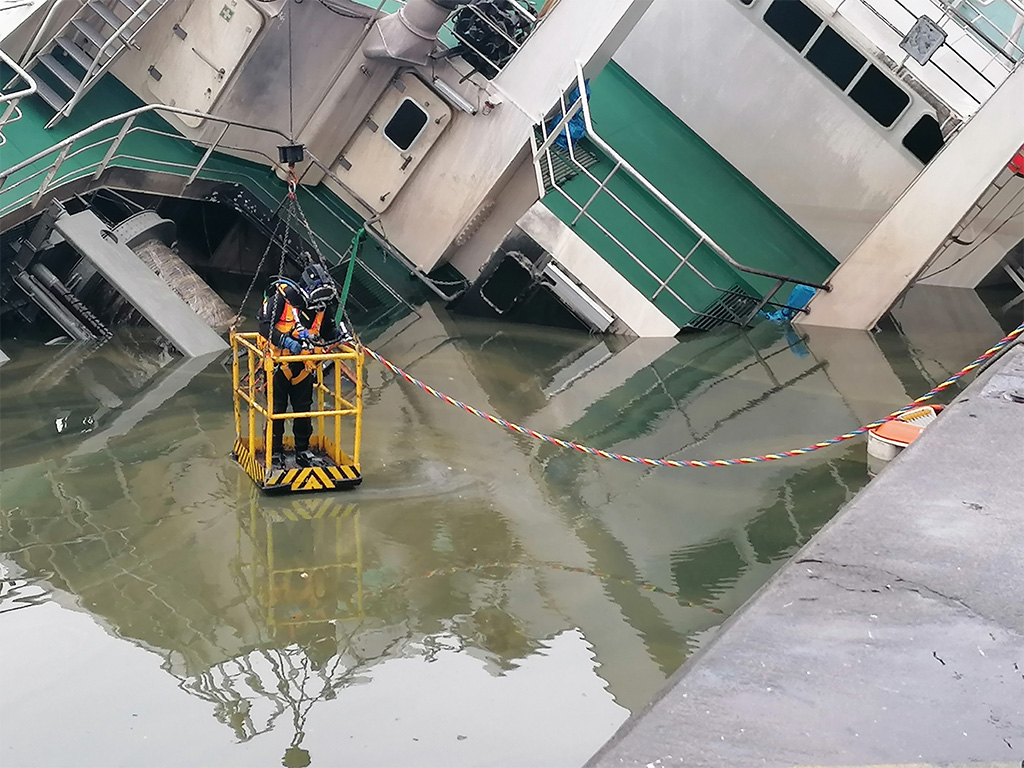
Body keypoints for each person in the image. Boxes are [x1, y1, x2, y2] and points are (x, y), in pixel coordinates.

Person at [258, 262, 351, 469]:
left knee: (303, 409)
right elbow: (264, 326)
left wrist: (340, 336)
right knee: (277, 410)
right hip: (277, 365)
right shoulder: (282, 299)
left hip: (305, 366)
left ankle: (303, 451)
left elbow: (327, 331)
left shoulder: (322, 306)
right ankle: (274, 452)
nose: (320, 303)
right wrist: (285, 341)